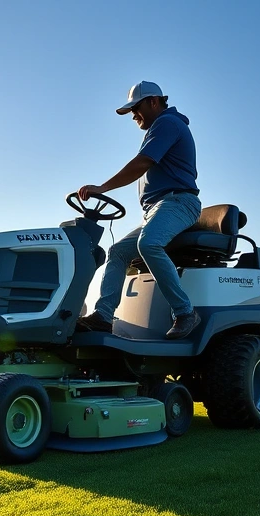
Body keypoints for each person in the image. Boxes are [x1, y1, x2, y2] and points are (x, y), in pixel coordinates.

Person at [76, 81, 202, 339]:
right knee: (118, 251)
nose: (133, 115)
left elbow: (142, 163)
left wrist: (102, 188)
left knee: (149, 244)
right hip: (159, 209)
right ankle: (103, 316)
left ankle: (185, 312)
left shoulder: (167, 123)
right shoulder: (159, 128)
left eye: (136, 108)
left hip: (179, 203)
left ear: (154, 102)